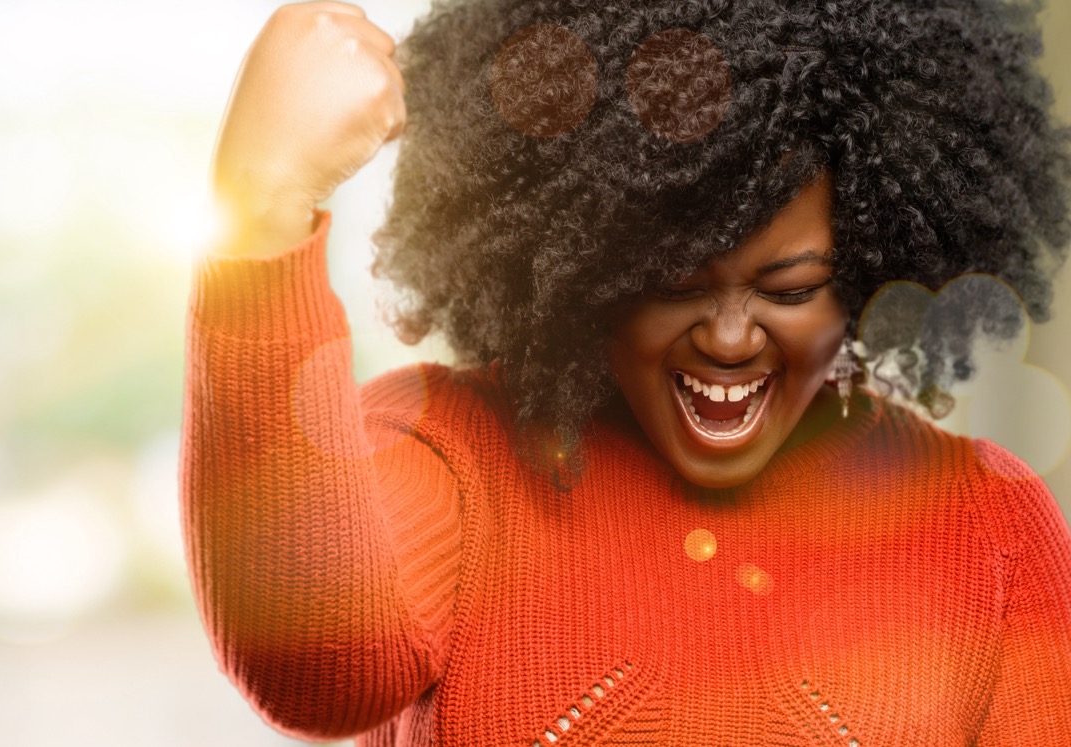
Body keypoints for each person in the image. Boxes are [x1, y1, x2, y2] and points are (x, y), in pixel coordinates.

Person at [183, 0, 1071, 744]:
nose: (729, 337)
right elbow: (314, 662)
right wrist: (262, 205)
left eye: (790, 287)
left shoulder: (986, 530)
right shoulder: (450, 455)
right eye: (672, 283)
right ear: (578, 261)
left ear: (875, 260)